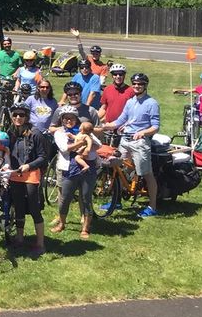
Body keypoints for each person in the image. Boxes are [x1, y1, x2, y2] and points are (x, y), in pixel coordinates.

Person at [103, 73, 162, 218]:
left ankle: (152, 206)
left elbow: (155, 127)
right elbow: (120, 120)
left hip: (140, 142)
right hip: (125, 140)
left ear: (145, 85)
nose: (136, 86)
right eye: (134, 83)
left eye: (140, 84)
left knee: (146, 174)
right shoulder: (130, 102)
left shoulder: (151, 103)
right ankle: (117, 201)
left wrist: (143, 133)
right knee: (119, 169)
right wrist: (105, 126)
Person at [51, 107, 98, 238]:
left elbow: (98, 144)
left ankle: (85, 228)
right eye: (65, 118)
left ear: (76, 119)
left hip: (88, 167)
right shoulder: (59, 133)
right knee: (65, 198)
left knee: (86, 197)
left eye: (71, 118)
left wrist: (87, 141)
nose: (68, 120)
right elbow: (64, 148)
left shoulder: (84, 130)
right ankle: (61, 223)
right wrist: (82, 142)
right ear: (61, 120)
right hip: (68, 168)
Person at [6, 120, 48, 257]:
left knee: (34, 207)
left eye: (22, 115)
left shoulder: (35, 134)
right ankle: (19, 238)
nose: (18, 117)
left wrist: (29, 166)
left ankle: (40, 244)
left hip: (31, 174)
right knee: (18, 206)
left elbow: (43, 157)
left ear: (27, 116)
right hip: (15, 174)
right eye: (15, 114)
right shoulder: (10, 132)